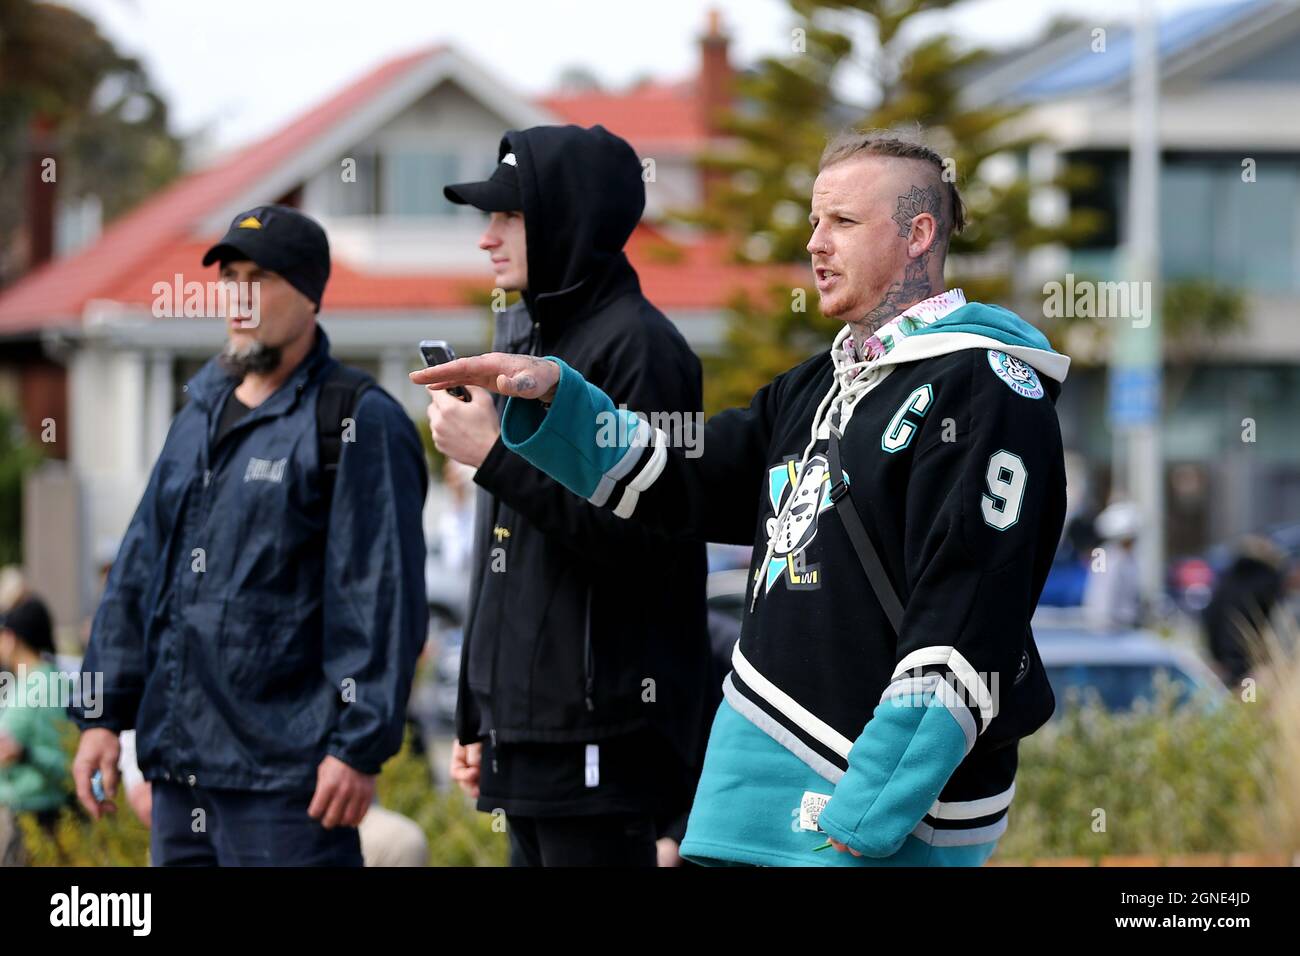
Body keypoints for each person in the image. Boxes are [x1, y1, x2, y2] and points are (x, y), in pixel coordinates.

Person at [413, 131, 1069, 867]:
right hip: (745, 797)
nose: (815, 244)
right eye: (814, 222)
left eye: (842, 223)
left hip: (862, 812)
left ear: (918, 235)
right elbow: (679, 473)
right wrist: (558, 398)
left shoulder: (986, 386)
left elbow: (965, 618)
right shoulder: (812, 383)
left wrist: (866, 814)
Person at [69, 204, 428, 866]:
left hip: (289, 788)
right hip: (181, 779)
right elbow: (138, 573)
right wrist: (99, 716)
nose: (238, 294)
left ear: (311, 294)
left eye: (259, 277)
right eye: (230, 275)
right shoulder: (198, 410)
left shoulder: (354, 420)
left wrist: (358, 748)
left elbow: (380, 598)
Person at [426, 126, 711, 867]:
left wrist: (492, 456)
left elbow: (645, 543)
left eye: (507, 216)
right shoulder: (523, 341)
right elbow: (504, 554)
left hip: (607, 743)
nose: (487, 238)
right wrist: (477, 714)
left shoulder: (642, 350)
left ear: (569, 217)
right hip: (530, 739)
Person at [0, 595, 70, 866]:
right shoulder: (22, 683)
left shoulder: (48, 686)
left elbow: (66, 762)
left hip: (41, 818)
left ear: (12, 637)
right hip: (19, 815)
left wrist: (24, 753)